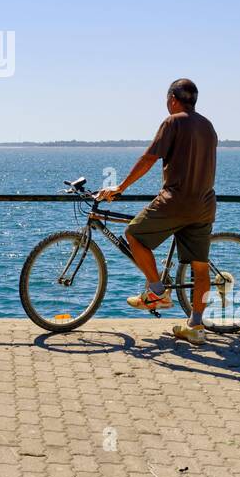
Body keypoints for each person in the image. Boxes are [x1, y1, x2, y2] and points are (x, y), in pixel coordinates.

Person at [96, 78, 217, 345]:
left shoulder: (173, 122)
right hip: (204, 204)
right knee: (200, 268)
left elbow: (150, 158)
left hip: (175, 202)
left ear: (173, 98)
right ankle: (196, 326)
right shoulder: (208, 126)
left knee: (134, 234)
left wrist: (120, 187)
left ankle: (157, 291)